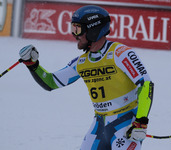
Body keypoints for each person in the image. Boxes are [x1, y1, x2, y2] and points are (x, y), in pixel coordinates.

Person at [19, 5, 154, 150]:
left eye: (78, 29)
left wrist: (141, 121)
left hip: (126, 124)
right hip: (100, 125)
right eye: (73, 28)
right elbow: (51, 83)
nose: (74, 34)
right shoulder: (82, 62)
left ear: (93, 29)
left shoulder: (121, 53)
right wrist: (32, 64)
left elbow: (145, 84)